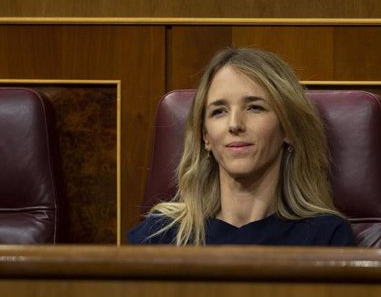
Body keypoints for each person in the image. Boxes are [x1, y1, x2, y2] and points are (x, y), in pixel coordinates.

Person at [128, 47, 356, 246]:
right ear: (206, 136)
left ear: (288, 129)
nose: (235, 124)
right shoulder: (158, 235)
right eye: (219, 111)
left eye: (255, 108)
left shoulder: (326, 237)